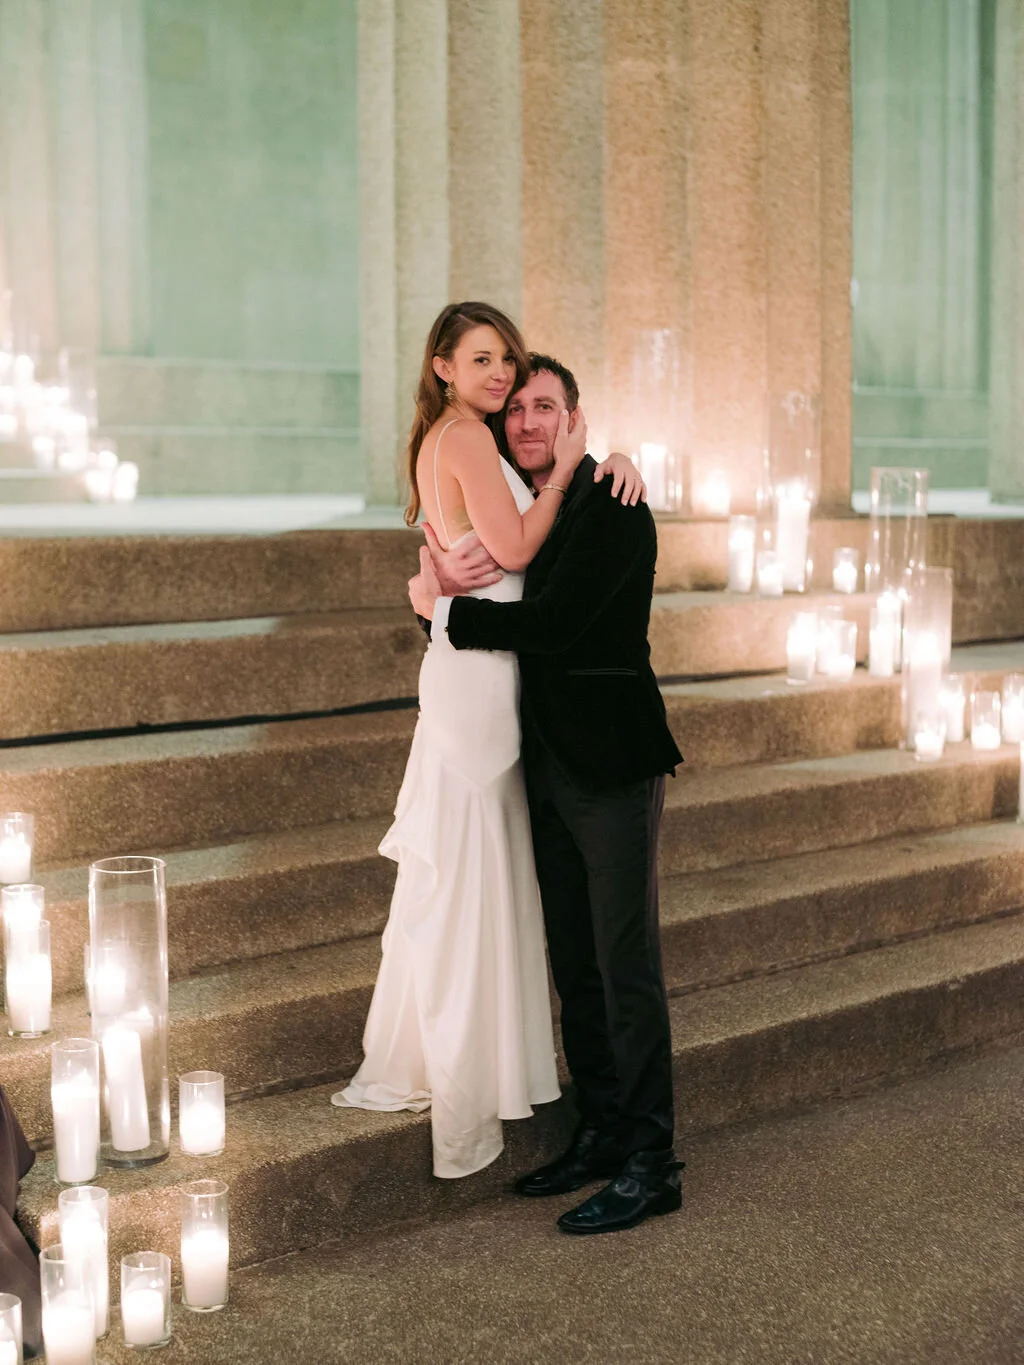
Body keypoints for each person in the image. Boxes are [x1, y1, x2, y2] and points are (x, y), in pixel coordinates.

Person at [332, 302, 644, 1180]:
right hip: (480, 677)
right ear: (442, 367)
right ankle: (471, 1070)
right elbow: (510, 546)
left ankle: (470, 1060)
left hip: (489, 670)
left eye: (505, 359)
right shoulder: (467, 439)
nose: (500, 376)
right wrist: (567, 475)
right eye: (482, 360)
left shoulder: (464, 438)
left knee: (476, 877)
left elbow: (501, 544)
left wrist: (603, 460)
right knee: (472, 875)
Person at [409, 351, 684, 1236]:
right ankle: (602, 1130)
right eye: (515, 409)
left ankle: (651, 1161)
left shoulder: (612, 499)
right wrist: (437, 594)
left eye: (544, 407)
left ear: (576, 418)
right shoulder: (526, 511)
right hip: (545, 764)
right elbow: (479, 578)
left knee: (624, 964)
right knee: (575, 960)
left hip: (611, 764)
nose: (526, 422)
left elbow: (554, 624)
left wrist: (443, 611)